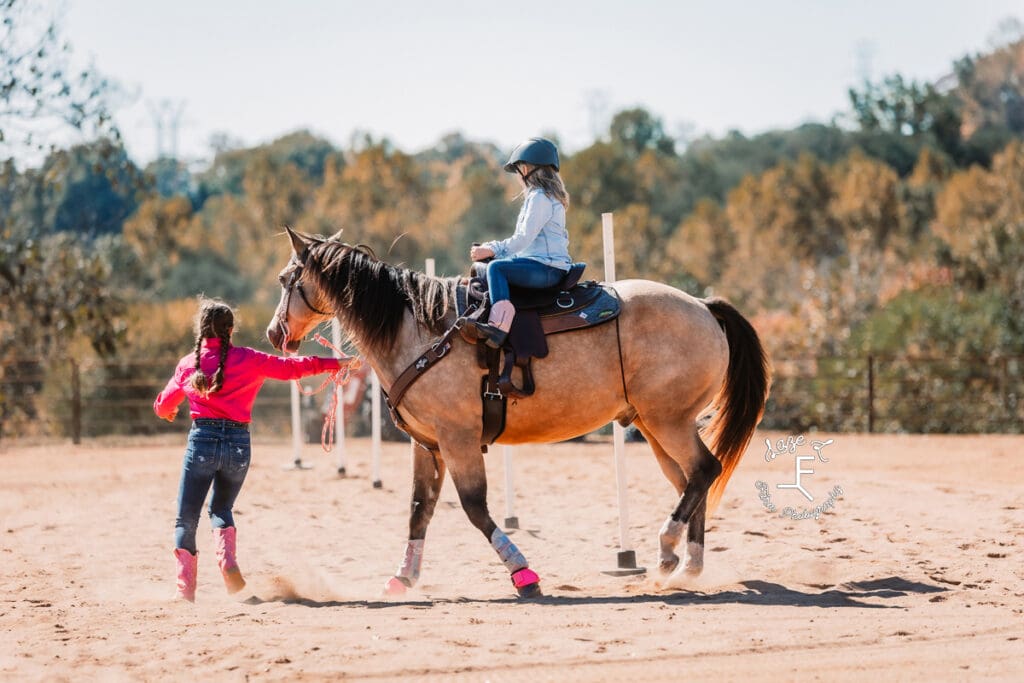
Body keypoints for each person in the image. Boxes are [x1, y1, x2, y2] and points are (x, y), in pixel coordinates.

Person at [153, 296, 350, 602]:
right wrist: (335, 363)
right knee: (221, 509)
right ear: (230, 331)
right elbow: (293, 367)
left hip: (202, 442)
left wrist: (165, 411)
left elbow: (164, 404)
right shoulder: (248, 359)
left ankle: (185, 593)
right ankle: (228, 563)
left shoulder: (187, 364)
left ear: (201, 331)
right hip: (239, 446)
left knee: (185, 519)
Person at [469, 137, 572, 348]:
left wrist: (492, 249)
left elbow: (523, 238)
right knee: (492, 265)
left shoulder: (540, 198)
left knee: (497, 268)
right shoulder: (541, 196)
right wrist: (494, 250)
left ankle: (498, 328)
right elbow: (524, 244)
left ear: (527, 169)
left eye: (518, 170)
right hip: (543, 264)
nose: (517, 176)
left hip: (547, 268)